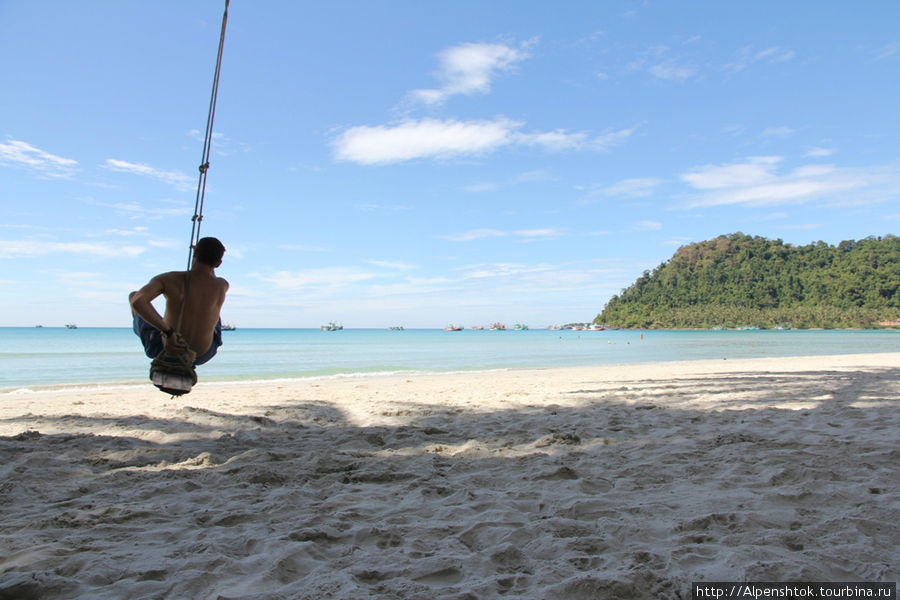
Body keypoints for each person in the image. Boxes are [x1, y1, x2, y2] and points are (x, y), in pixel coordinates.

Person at [130, 237, 229, 366]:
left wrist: (168, 332)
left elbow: (137, 301)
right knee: (213, 309)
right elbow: (206, 276)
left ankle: (164, 330)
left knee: (133, 295)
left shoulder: (169, 279)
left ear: (195, 253)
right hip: (202, 355)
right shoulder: (222, 285)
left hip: (166, 351)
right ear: (218, 264)